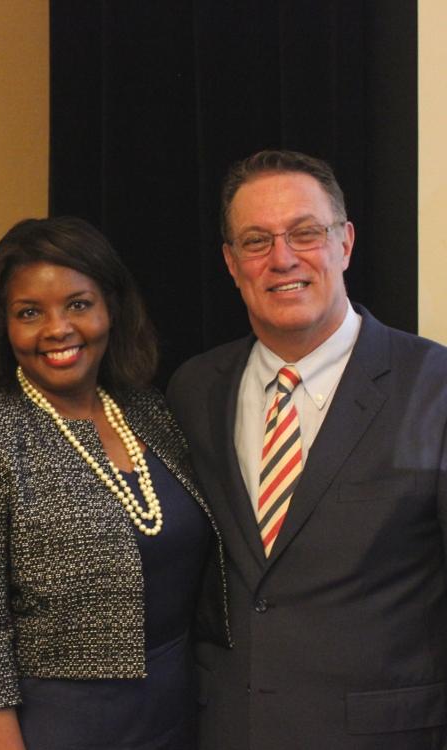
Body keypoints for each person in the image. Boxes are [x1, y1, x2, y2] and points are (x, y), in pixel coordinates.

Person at [166, 149, 447, 749]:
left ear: (344, 243)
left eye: (305, 233)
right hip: (228, 731)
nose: (283, 258)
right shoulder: (193, 389)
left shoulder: (433, 385)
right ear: (231, 262)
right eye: (256, 241)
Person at [0, 216, 228, 750]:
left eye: (78, 304)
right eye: (29, 313)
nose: (57, 328)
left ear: (111, 307)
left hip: (178, 714)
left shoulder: (153, 413)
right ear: (4, 327)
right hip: (57, 727)